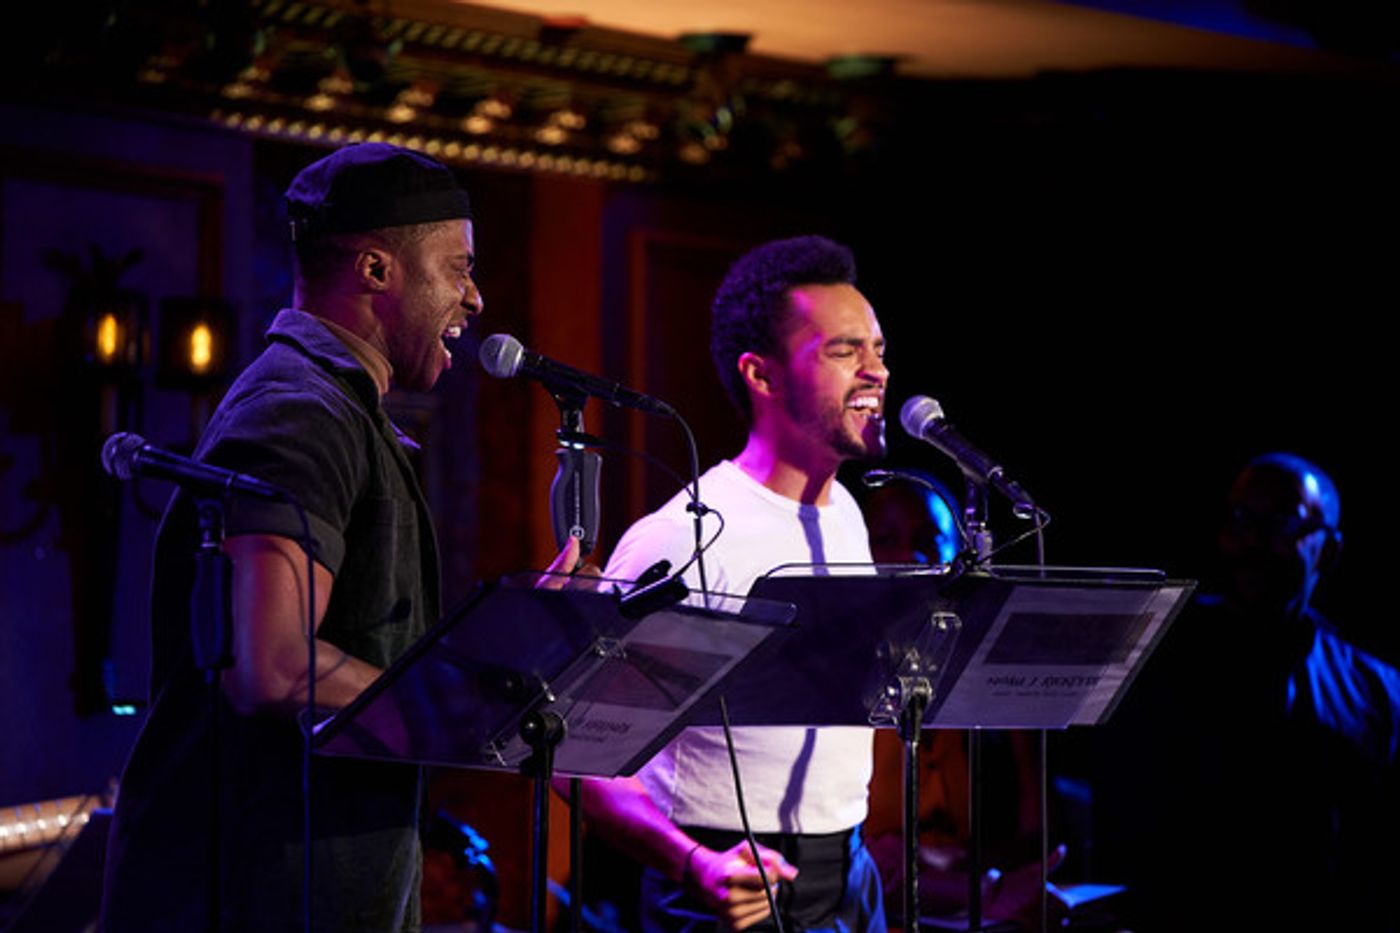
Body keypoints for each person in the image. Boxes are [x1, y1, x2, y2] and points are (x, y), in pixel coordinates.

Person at [101, 143, 577, 932]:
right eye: (457, 268)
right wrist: (479, 696)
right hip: (251, 897)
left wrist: (510, 649)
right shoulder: (296, 412)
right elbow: (276, 667)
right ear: (375, 270)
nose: (478, 298)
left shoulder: (332, 411)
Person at [577, 235, 889, 932]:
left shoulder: (848, 516)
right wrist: (694, 862)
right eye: (845, 351)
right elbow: (580, 757)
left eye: (878, 349)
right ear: (763, 375)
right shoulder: (683, 536)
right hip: (727, 877)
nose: (876, 372)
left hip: (849, 868)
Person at [1095, 452, 1400, 931]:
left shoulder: (1376, 688)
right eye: (1239, 519)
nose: (1250, 540)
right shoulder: (1157, 656)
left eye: (1280, 522)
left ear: (1329, 550)